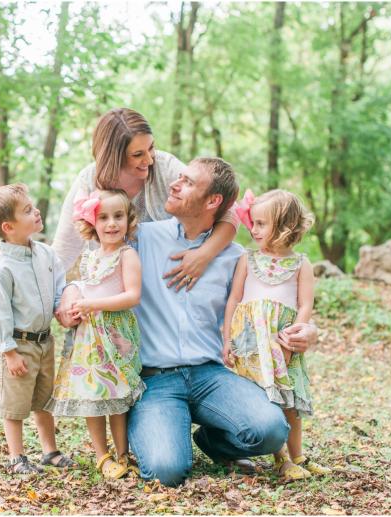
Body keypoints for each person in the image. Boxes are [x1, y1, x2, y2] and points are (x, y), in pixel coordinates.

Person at [123, 157, 318, 487]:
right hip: (156, 379)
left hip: (211, 375)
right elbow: (95, 259)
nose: (174, 184)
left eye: (187, 182)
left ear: (213, 201)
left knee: (271, 431)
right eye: (178, 178)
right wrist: (70, 294)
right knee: (167, 471)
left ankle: (212, 441)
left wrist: (310, 331)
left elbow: (276, 302)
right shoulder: (143, 238)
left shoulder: (234, 257)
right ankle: (162, 427)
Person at [52, 108, 239, 293]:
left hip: (161, 289)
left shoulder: (164, 167)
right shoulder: (88, 181)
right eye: (137, 154)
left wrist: (204, 254)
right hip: (110, 292)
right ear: (113, 157)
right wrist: (62, 299)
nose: (149, 160)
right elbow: (63, 251)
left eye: (151, 148)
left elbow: (229, 209)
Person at [223, 189, 331, 481]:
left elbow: (304, 304)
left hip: (281, 341)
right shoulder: (249, 259)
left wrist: (294, 337)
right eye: (253, 223)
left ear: (284, 227)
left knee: (288, 402)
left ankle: (298, 456)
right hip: (249, 341)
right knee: (265, 399)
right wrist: (226, 340)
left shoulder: (300, 263)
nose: (253, 229)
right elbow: (234, 299)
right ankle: (281, 459)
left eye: (261, 224)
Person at [45, 189, 144, 479]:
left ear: (128, 220)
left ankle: (123, 454)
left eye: (118, 216)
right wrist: (74, 299)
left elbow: (132, 296)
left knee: (117, 397)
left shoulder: (128, 255)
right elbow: (83, 285)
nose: (111, 224)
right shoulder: (89, 256)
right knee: (93, 395)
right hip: (88, 338)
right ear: (92, 222)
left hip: (115, 336)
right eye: (103, 217)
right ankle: (103, 456)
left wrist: (93, 304)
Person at [0, 184, 75, 474]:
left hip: (45, 340)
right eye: (27, 210)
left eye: (33, 206)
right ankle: (17, 457)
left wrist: (62, 308)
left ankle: (50, 451)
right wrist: (8, 352)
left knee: (44, 398)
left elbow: (59, 284)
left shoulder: (45, 254)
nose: (36, 212)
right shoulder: (2, 268)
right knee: (16, 402)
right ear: (8, 227)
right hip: (18, 345)